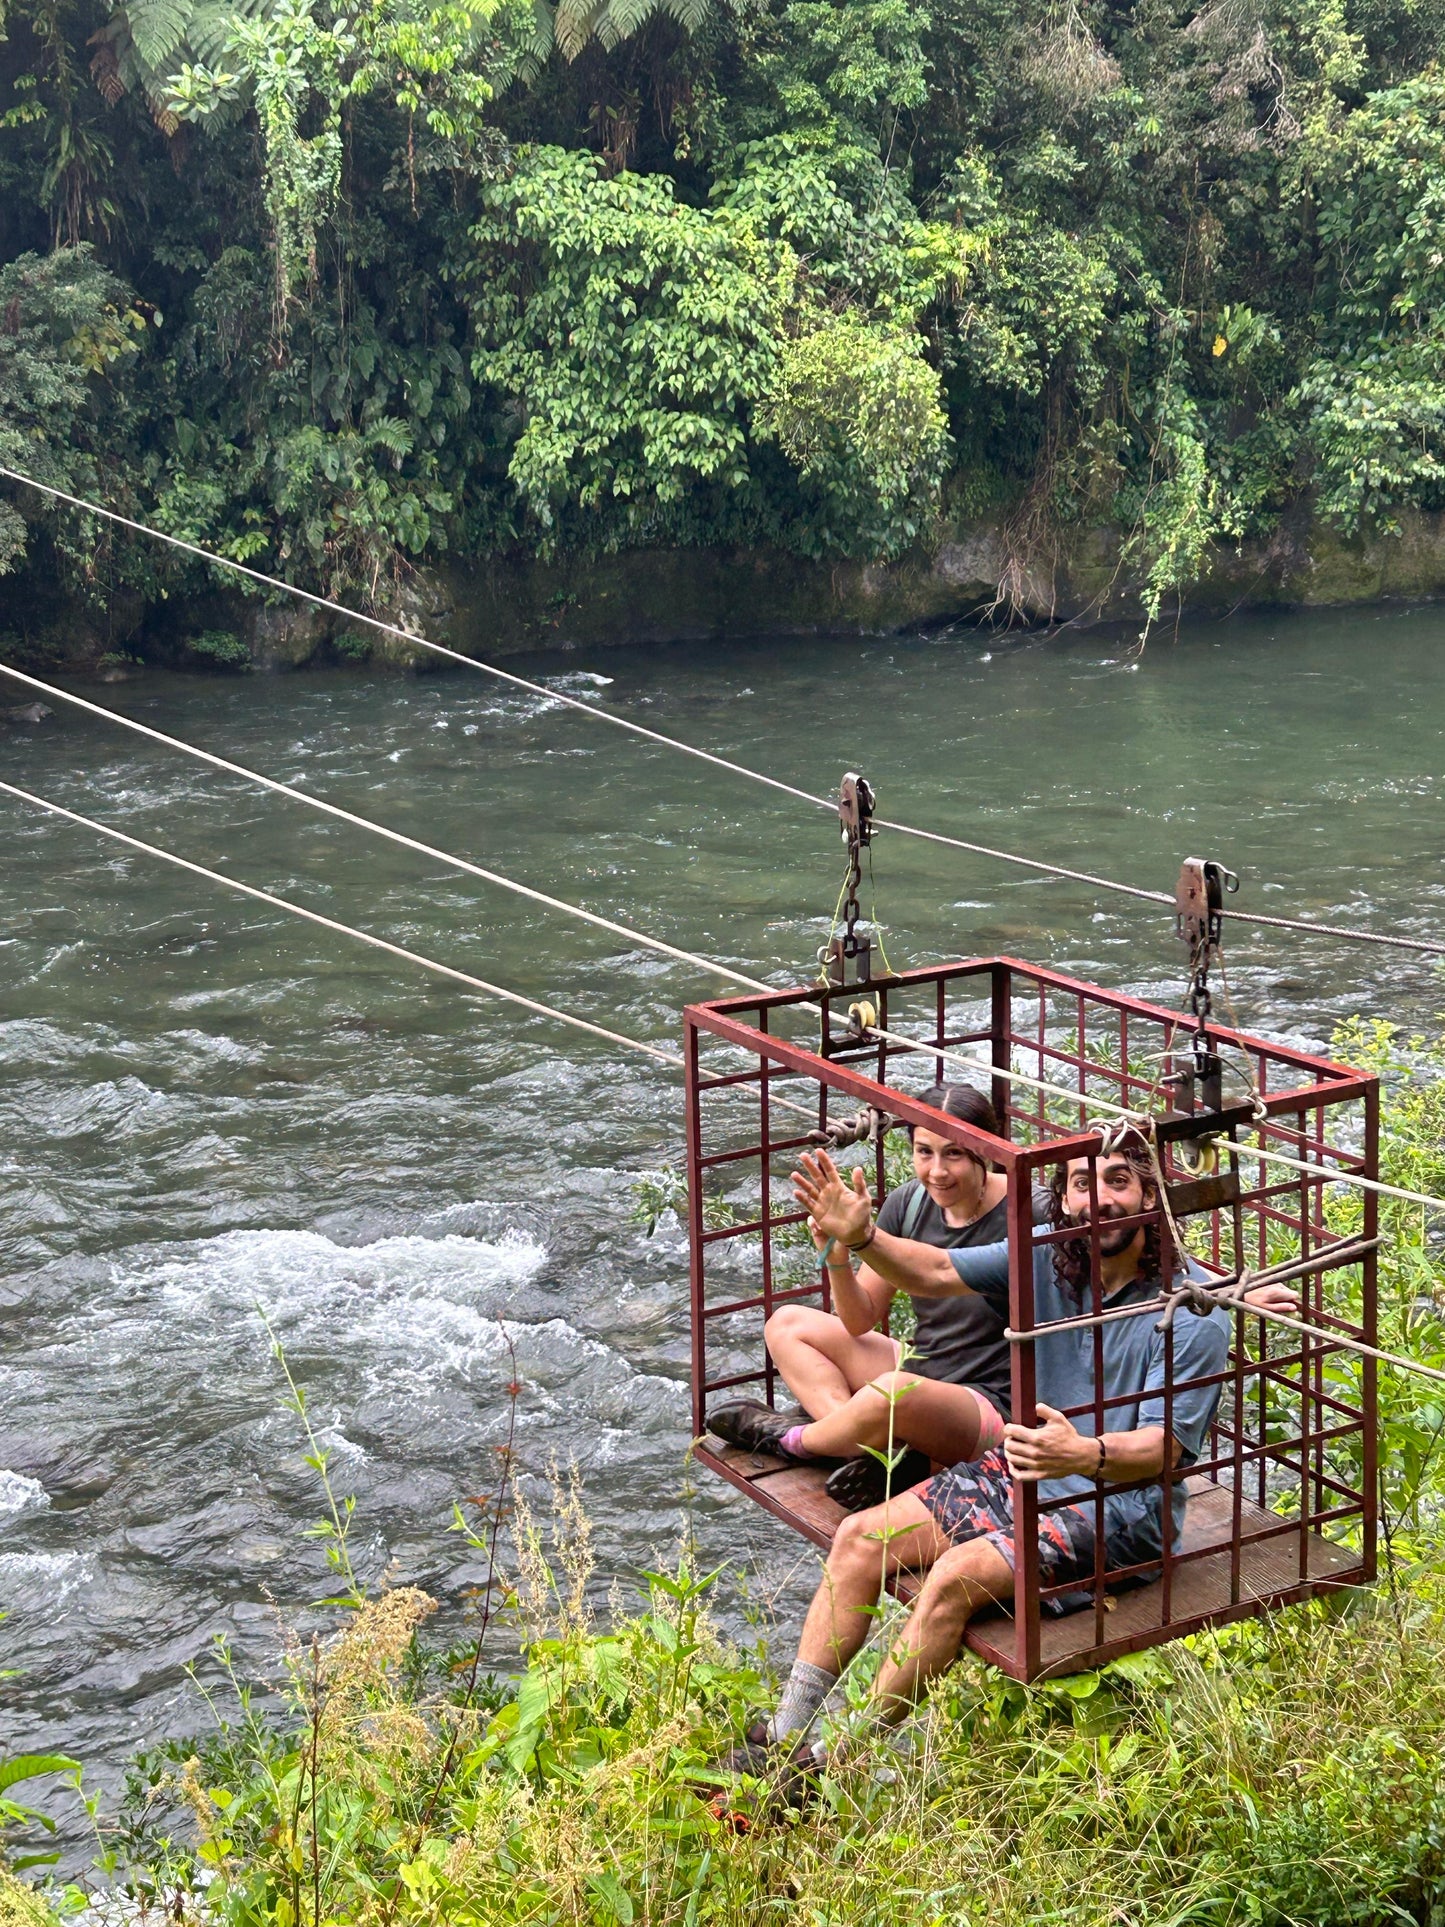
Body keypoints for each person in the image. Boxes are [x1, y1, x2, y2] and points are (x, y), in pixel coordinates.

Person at [718, 1135, 1299, 1783]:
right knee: (859, 1537)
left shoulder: (1190, 1314)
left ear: (1150, 1198)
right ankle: (787, 1734)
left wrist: (1082, 1451)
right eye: (1081, 1184)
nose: (1097, 1199)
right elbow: (935, 1270)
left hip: (1117, 1508)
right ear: (1064, 1199)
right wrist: (861, 1240)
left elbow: (1162, 1449)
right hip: (1025, 1470)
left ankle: (834, 1765)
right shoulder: (1046, 1259)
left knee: (953, 1578)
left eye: (1116, 1181)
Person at [706, 1085, 1024, 1510]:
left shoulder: (1028, 1210)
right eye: (924, 1152)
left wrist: (865, 1238)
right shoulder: (909, 1202)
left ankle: (795, 1440)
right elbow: (859, 1319)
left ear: (986, 1149)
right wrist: (839, 1255)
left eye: (955, 1154)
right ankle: (858, 1447)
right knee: (787, 1325)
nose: (937, 1171)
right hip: (928, 1368)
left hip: (991, 1405)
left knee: (892, 1392)